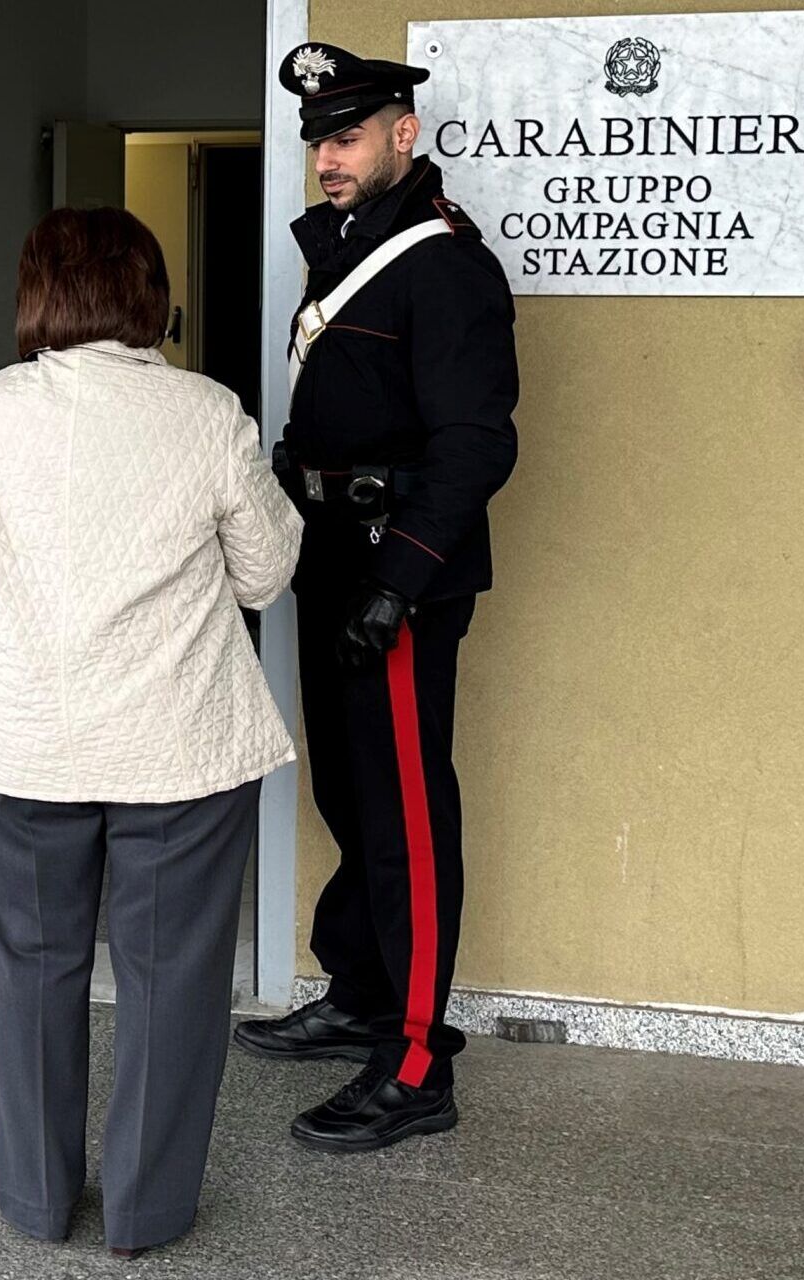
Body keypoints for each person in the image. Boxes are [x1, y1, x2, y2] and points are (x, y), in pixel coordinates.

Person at [0, 207, 303, 1257]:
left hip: (24, 741)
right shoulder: (206, 412)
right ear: (150, 295)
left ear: (37, 293)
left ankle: (35, 1200)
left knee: (35, 969)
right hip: (176, 742)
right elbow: (267, 572)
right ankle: (146, 1212)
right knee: (171, 979)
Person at [231, 44, 520, 1153]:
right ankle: (358, 988)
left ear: (405, 132)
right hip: (331, 558)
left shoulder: (441, 265)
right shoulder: (347, 249)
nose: (325, 158)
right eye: (316, 140)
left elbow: (475, 443)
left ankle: (412, 1059)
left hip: (395, 571)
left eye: (345, 135)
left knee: (403, 812)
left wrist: (399, 580)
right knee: (352, 797)